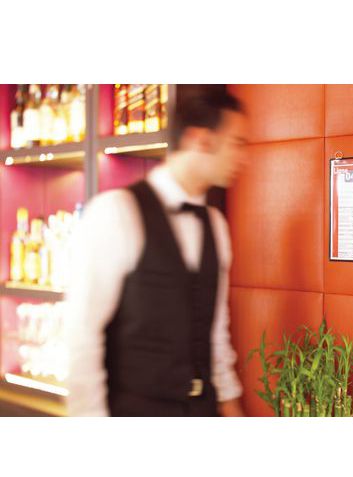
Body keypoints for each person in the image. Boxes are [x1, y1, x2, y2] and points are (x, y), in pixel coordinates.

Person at [64, 87, 248, 416]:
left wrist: (231, 407)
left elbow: (215, 334)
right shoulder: (115, 212)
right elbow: (82, 337)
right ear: (200, 140)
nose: (242, 158)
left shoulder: (216, 226)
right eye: (237, 144)